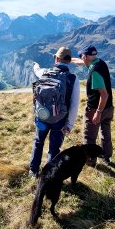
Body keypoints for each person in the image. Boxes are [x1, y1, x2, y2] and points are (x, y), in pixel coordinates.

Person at [29, 47, 80, 178]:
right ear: (69, 61)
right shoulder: (72, 79)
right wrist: (70, 125)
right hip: (60, 120)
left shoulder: (45, 72)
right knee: (54, 148)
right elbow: (74, 104)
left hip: (42, 116)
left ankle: (33, 171)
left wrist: (36, 65)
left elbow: (37, 71)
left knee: (38, 142)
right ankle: (48, 175)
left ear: (56, 59)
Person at [72, 45, 114, 166]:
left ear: (85, 57)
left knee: (89, 136)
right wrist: (68, 59)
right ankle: (106, 158)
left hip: (96, 109)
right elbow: (80, 62)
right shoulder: (100, 62)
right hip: (109, 108)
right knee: (106, 134)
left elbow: (104, 95)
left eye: (82, 56)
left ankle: (90, 161)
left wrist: (98, 113)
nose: (81, 59)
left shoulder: (94, 71)